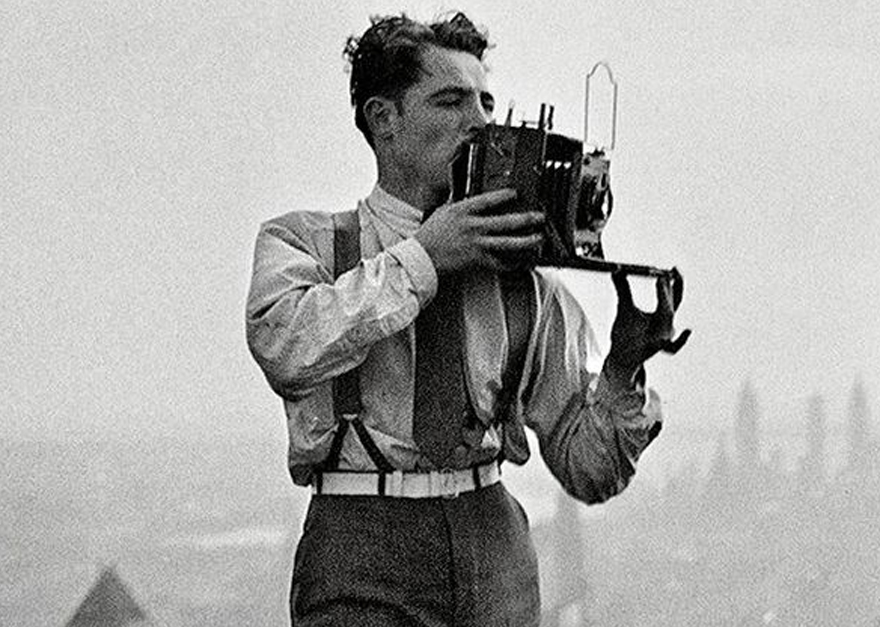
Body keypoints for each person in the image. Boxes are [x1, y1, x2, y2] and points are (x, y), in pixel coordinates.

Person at [245, 12, 688, 627]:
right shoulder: (306, 244)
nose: (479, 121)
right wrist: (427, 256)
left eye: (485, 101)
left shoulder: (525, 285)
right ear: (384, 119)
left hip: (494, 547)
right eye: (451, 101)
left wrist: (621, 369)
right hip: (360, 545)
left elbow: (592, 473)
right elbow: (286, 346)